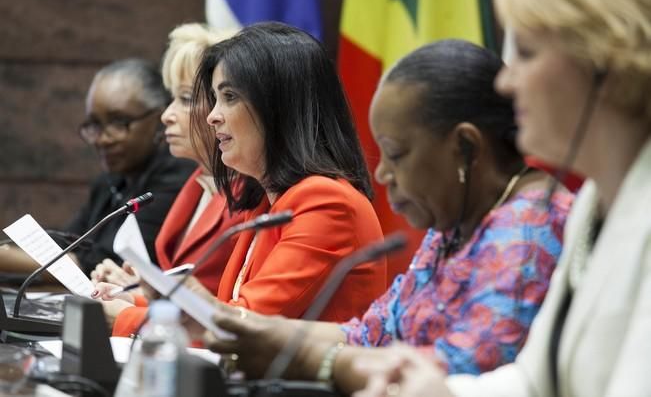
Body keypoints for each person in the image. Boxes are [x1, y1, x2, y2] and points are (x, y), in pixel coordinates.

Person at [351, 0, 651, 396]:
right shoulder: (593, 204)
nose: (506, 82)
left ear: (606, 62)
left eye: (526, 54)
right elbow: (535, 381)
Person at [201, 39, 573, 380]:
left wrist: (305, 356)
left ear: (465, 147)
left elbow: (464, 373)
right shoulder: (454, 224)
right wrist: (267, 333)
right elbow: (372, 333)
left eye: (395, 154)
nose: (381, 173)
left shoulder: (529, 228)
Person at [188, 22, 388, 322]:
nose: (213, 116)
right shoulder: (266, 203)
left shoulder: (326, 201)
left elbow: (245, 324)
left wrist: (126, 316)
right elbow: (230, 307)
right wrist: (132, 299)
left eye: (229, 97)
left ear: (279, 107)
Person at [89, 24, 245, 335]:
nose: (166, 115)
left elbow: (233, 315)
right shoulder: (197, 184)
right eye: (171, 98)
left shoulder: (250, 196)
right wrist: (135, 288)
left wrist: (131, 307)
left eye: (185, 99)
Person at [0, 59, 196, 277]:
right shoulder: (109, 183)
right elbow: (63, 246)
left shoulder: (176, 176)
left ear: (159, 119)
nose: (102, 138)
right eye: (95, 124)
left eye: (119, 122)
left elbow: (101, 266)